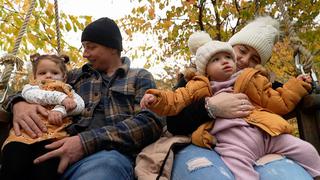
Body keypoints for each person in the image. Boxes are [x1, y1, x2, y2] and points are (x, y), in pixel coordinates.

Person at [2, 17, 164, 179]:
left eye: (91, 47)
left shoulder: (139, 77)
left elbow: (150, 121)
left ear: (113, 48)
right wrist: (18, 103)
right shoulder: (76, 76)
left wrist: (86, 142)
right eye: (84, 48)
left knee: (103, 171)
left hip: (107, 157)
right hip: (56, 152)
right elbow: (38, 87)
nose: (85, 54)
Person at [140, 38, 320, 179]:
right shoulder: (195, 83)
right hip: (233, 143)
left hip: (266, 135)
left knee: (308, 151)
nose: (244, 59)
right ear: (205, 69)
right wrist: (157, 98)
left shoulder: (253, 80)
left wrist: (299, 85)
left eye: (254, 59)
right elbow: (175, 102)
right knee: (241, 173)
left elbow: (279, 99)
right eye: (241, 51)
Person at [0, 53, 85, 180]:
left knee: (46, 168)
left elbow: (79, 105)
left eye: (55, 73)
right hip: (24, 135)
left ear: (64, 77)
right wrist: (61, 99)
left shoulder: (69, 90)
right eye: (42, 73)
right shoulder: (32, 88)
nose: (49, 75)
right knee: (14, 159)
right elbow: (34, 96)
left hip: (53, 138)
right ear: (34, 77)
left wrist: (61, 110)